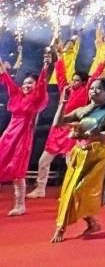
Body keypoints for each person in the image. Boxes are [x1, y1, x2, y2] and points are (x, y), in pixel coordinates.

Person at [50, 77, 105, 243]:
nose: (94, 91)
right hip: (79, 154)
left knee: (81, 191)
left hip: (98, 154)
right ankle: (88, 223)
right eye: (92, 88)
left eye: (99, 89)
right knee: (70, 191)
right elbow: (57, 123)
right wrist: (63, 102)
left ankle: (69, 226)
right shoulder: (81, 111)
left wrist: (93, 135)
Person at [30, 47, 105, 199]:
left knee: (70, 163)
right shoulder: (66, 89)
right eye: (73, 79)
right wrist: (59, 56)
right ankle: (40, 188)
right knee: (43, 161)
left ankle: (71, 190)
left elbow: (96, 76)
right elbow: (60, 74)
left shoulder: (86, 90)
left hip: (72, 130)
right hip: (58, 129)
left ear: (84, 82)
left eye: (77, 80)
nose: (73, 82)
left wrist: (103, 61)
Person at [0, 49, 51, 215]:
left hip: (23, 136)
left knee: (18, 171)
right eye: (25, 83)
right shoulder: (16, 94)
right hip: (9, 135)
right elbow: (6, 77)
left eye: (31, 83)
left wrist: (45, 66)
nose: (27, 85)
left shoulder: (36, 98)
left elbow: (43, 85)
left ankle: (20, 205)